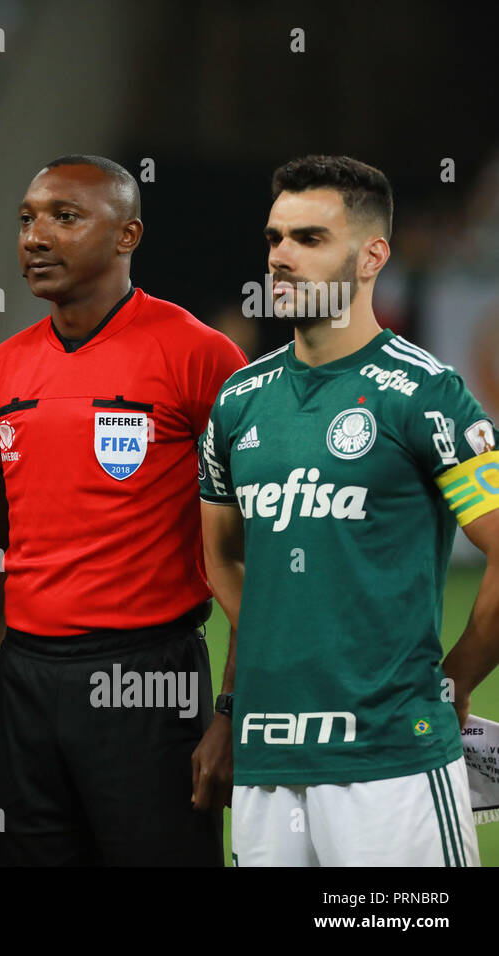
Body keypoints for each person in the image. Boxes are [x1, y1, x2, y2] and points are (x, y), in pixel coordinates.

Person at [0, 157, 246, 865]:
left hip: (149, 676)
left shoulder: (201, 357)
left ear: (128, 233)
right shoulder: (0, 371)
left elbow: (250, 554)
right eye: (26, 219)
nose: (35, 237)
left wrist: (229, 712)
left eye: (64, 217)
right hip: (25, 684)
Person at [201, 155, 499, 866]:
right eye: (275, 238)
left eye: (308, 239)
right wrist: (278, 641)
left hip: (392, 760)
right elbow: (221, 553)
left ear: (372, 257)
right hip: (269, 763)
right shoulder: (239, 401)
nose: (280, 257)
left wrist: (455, 676)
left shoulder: (426, 396)